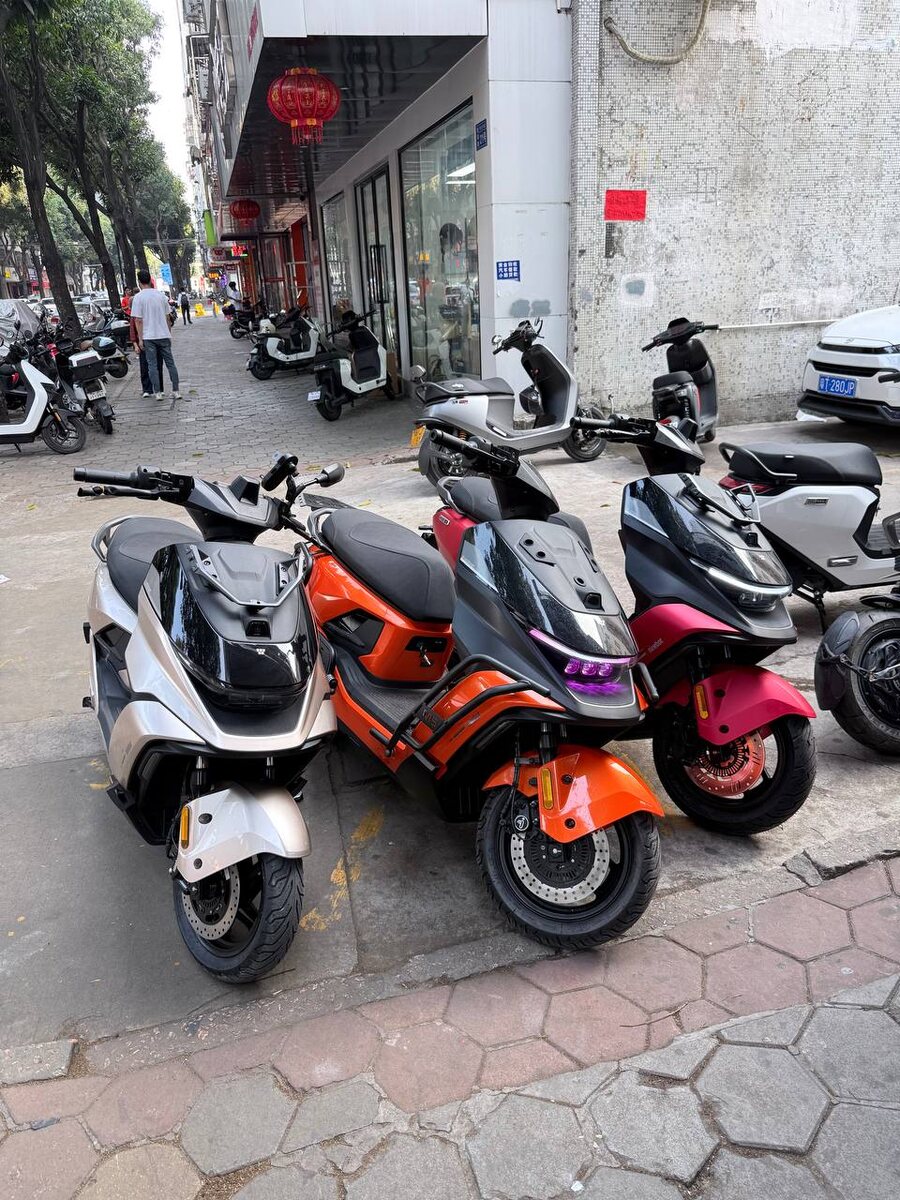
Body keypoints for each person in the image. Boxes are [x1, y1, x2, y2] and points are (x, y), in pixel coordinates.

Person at [131, 269, 182, 401]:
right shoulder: (161, 296)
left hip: (149, 337)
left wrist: (140, 339)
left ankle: (158, 392)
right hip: (163, 335)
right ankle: (176, 391)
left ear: (139, 282)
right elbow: (168, 318)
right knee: (170, 364)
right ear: (150, 280)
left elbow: (138, 320)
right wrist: (168, 333)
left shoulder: (138, 298)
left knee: (152, 365)